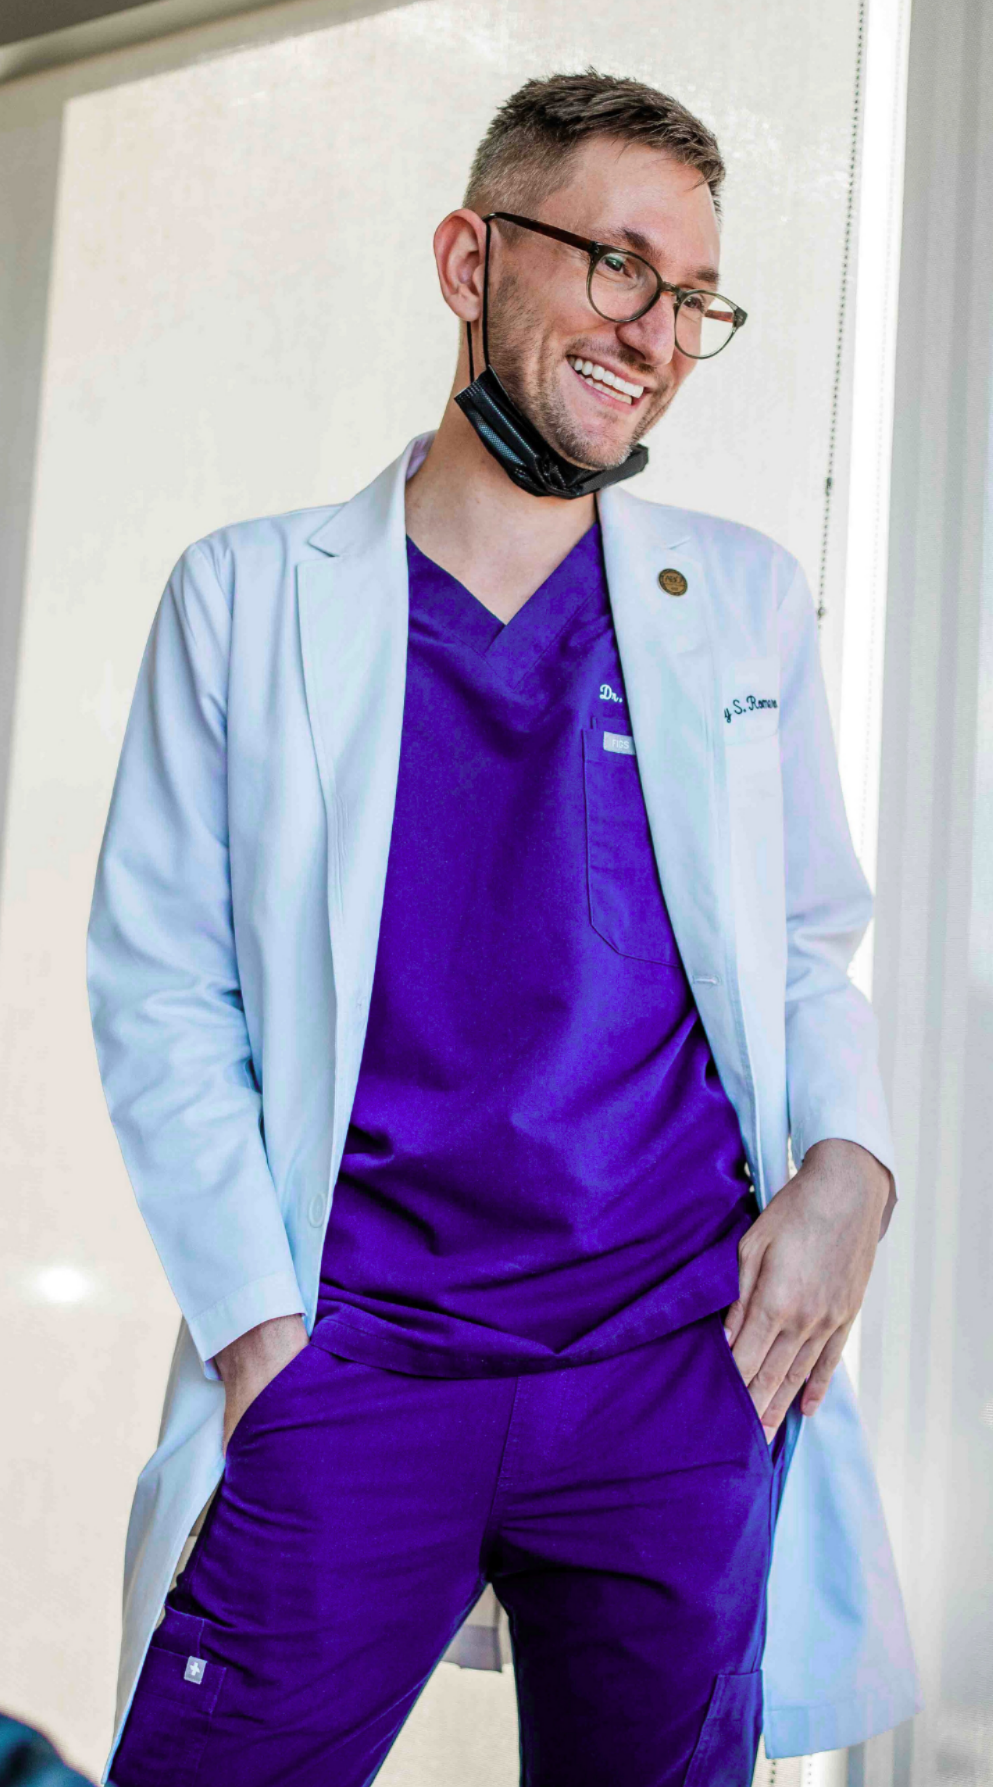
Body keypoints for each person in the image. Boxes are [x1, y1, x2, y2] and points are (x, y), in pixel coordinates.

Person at [88, 70, 919, 1787]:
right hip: (357, 1363)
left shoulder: (739, 599)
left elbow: (797, 949)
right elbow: (163, 988)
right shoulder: (251, 600)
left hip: (668, 1372)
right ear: (471, 258)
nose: (659, 333)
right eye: (619, 264)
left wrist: (854, 1170)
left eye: (693, 296)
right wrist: (263, 1345)